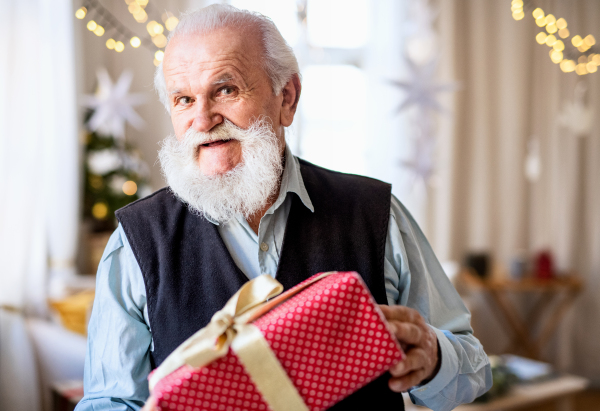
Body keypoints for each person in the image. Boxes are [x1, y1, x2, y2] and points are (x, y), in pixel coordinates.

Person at [76, 5, 491, 411]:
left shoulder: (376, 215)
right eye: (183, 99)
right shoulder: (134, 241)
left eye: (225, 89)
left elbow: (471, 367)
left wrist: (435, 358)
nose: (202, 120)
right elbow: (108, 402)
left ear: (287, 97)